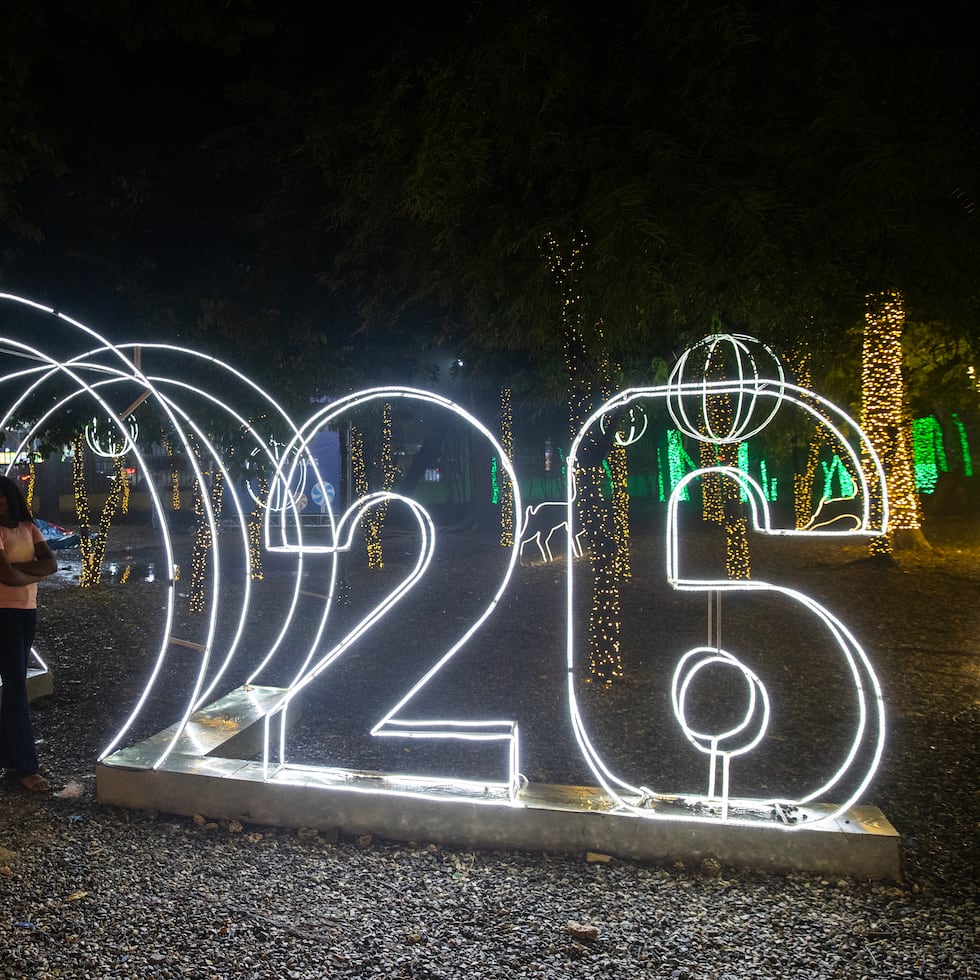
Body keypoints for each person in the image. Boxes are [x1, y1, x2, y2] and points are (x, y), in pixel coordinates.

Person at [0, 475, 58, 792]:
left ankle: (13, 758)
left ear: (11, 497)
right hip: (3, 613)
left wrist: (16, 573)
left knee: (14, 686)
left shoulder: (28, 527)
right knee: (16, 688)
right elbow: (6, 576)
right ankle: (25, 766)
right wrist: (29, 572)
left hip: (26, 611)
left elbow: (51, 564)